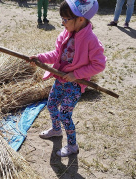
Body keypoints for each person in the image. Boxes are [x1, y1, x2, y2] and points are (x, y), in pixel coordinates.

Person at [30, 0, 106, 157]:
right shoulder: (65, 34)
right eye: (62, 19)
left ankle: (72, 146)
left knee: (65, 114)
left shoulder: (91, 40)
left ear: (80, 19)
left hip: (75, 85)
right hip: (60, 79)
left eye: (66, 19)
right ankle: (56, 130)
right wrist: (40, 58)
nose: (62, 22)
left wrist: (76, 75)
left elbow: (99, 65)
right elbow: (57, 55)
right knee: (51, 105)